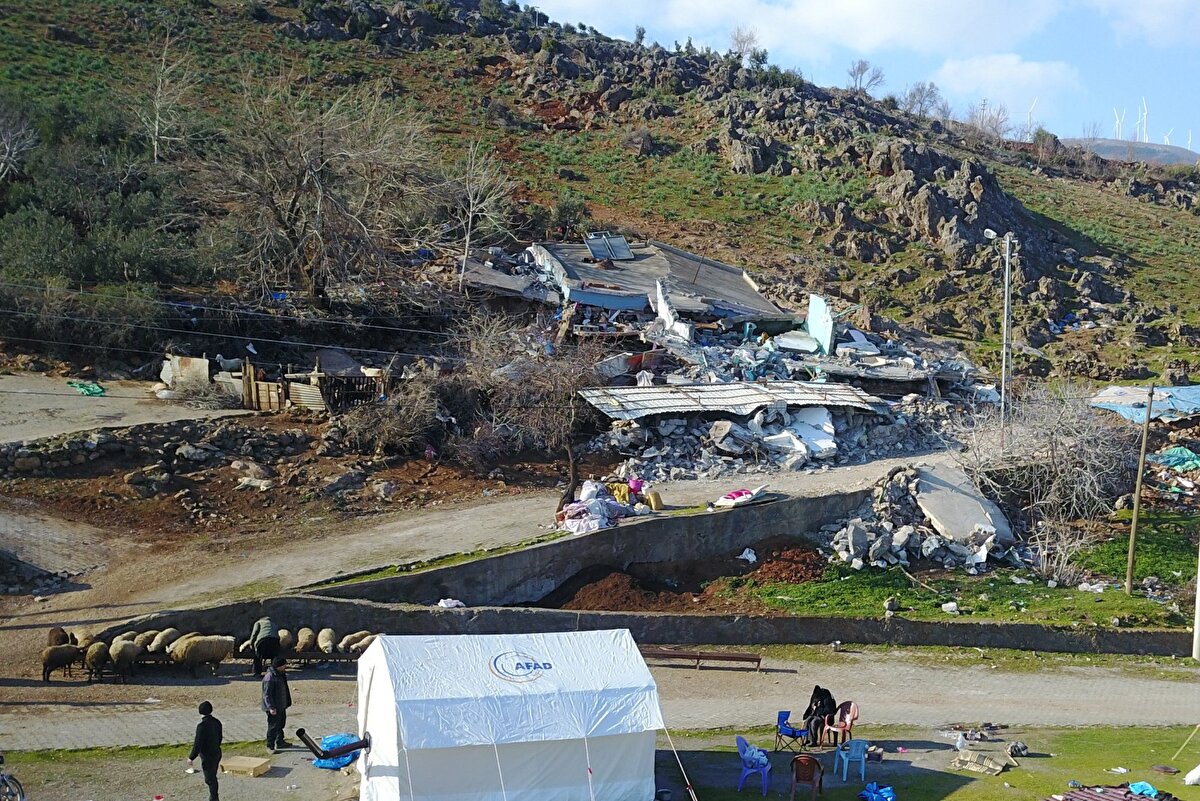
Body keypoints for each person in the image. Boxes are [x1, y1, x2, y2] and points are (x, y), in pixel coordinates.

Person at [187, 701, 222, 801]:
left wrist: (191, 757)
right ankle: (214, 797)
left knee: (210, 779)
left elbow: (197, 744)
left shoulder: (202, 726)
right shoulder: (217, 722)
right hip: (216, 752)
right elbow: (220, 737)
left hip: (207, 755)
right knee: (212, 775)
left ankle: (214, 798)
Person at [262, 656, 292, 752]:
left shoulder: (281, 674)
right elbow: (267, 695)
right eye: (284, 665)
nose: (286, 666)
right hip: (274, 707)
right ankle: (270, 746)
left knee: (280, 724)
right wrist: (271, 707)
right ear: (279, 666)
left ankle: (280, 742)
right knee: (273, 726)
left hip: (281, 705)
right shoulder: (270, 677)